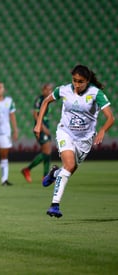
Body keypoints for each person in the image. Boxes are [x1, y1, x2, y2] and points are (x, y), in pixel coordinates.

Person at [34, 64, 115, 218]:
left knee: (69, 169)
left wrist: (103, 130)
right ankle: (54, 205)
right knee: (70, 165)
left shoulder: (96, 93)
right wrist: (38, 124)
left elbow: (110, 117)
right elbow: (45, 102)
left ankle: (54, 173)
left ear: (87, 80)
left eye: (80, 81)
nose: (76, 85)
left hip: (85, 139)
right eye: (74, 80)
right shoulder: (63, 89)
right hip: (65, 132)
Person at [21, 83, 54, 183]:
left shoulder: (48, 100)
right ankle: (28, 169)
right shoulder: (39, 100)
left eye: (50, 90)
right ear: (43, 90)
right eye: (47, 90)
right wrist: (42, 128)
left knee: (47, 152)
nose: (48, 91)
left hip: (45, 127)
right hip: (40, 128)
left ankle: (45, 176)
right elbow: (35, 115)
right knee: (47, 151)